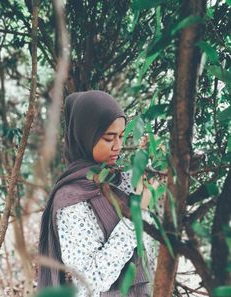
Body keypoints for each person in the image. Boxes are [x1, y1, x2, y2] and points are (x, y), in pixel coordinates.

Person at [38, 90, 159, 297]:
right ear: (84, 136)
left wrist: (148, 160)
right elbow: (88, 281)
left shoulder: (118, 180)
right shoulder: (71, 200)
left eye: (121, 136)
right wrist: (136, 213)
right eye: (108, 138)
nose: (118, 147)